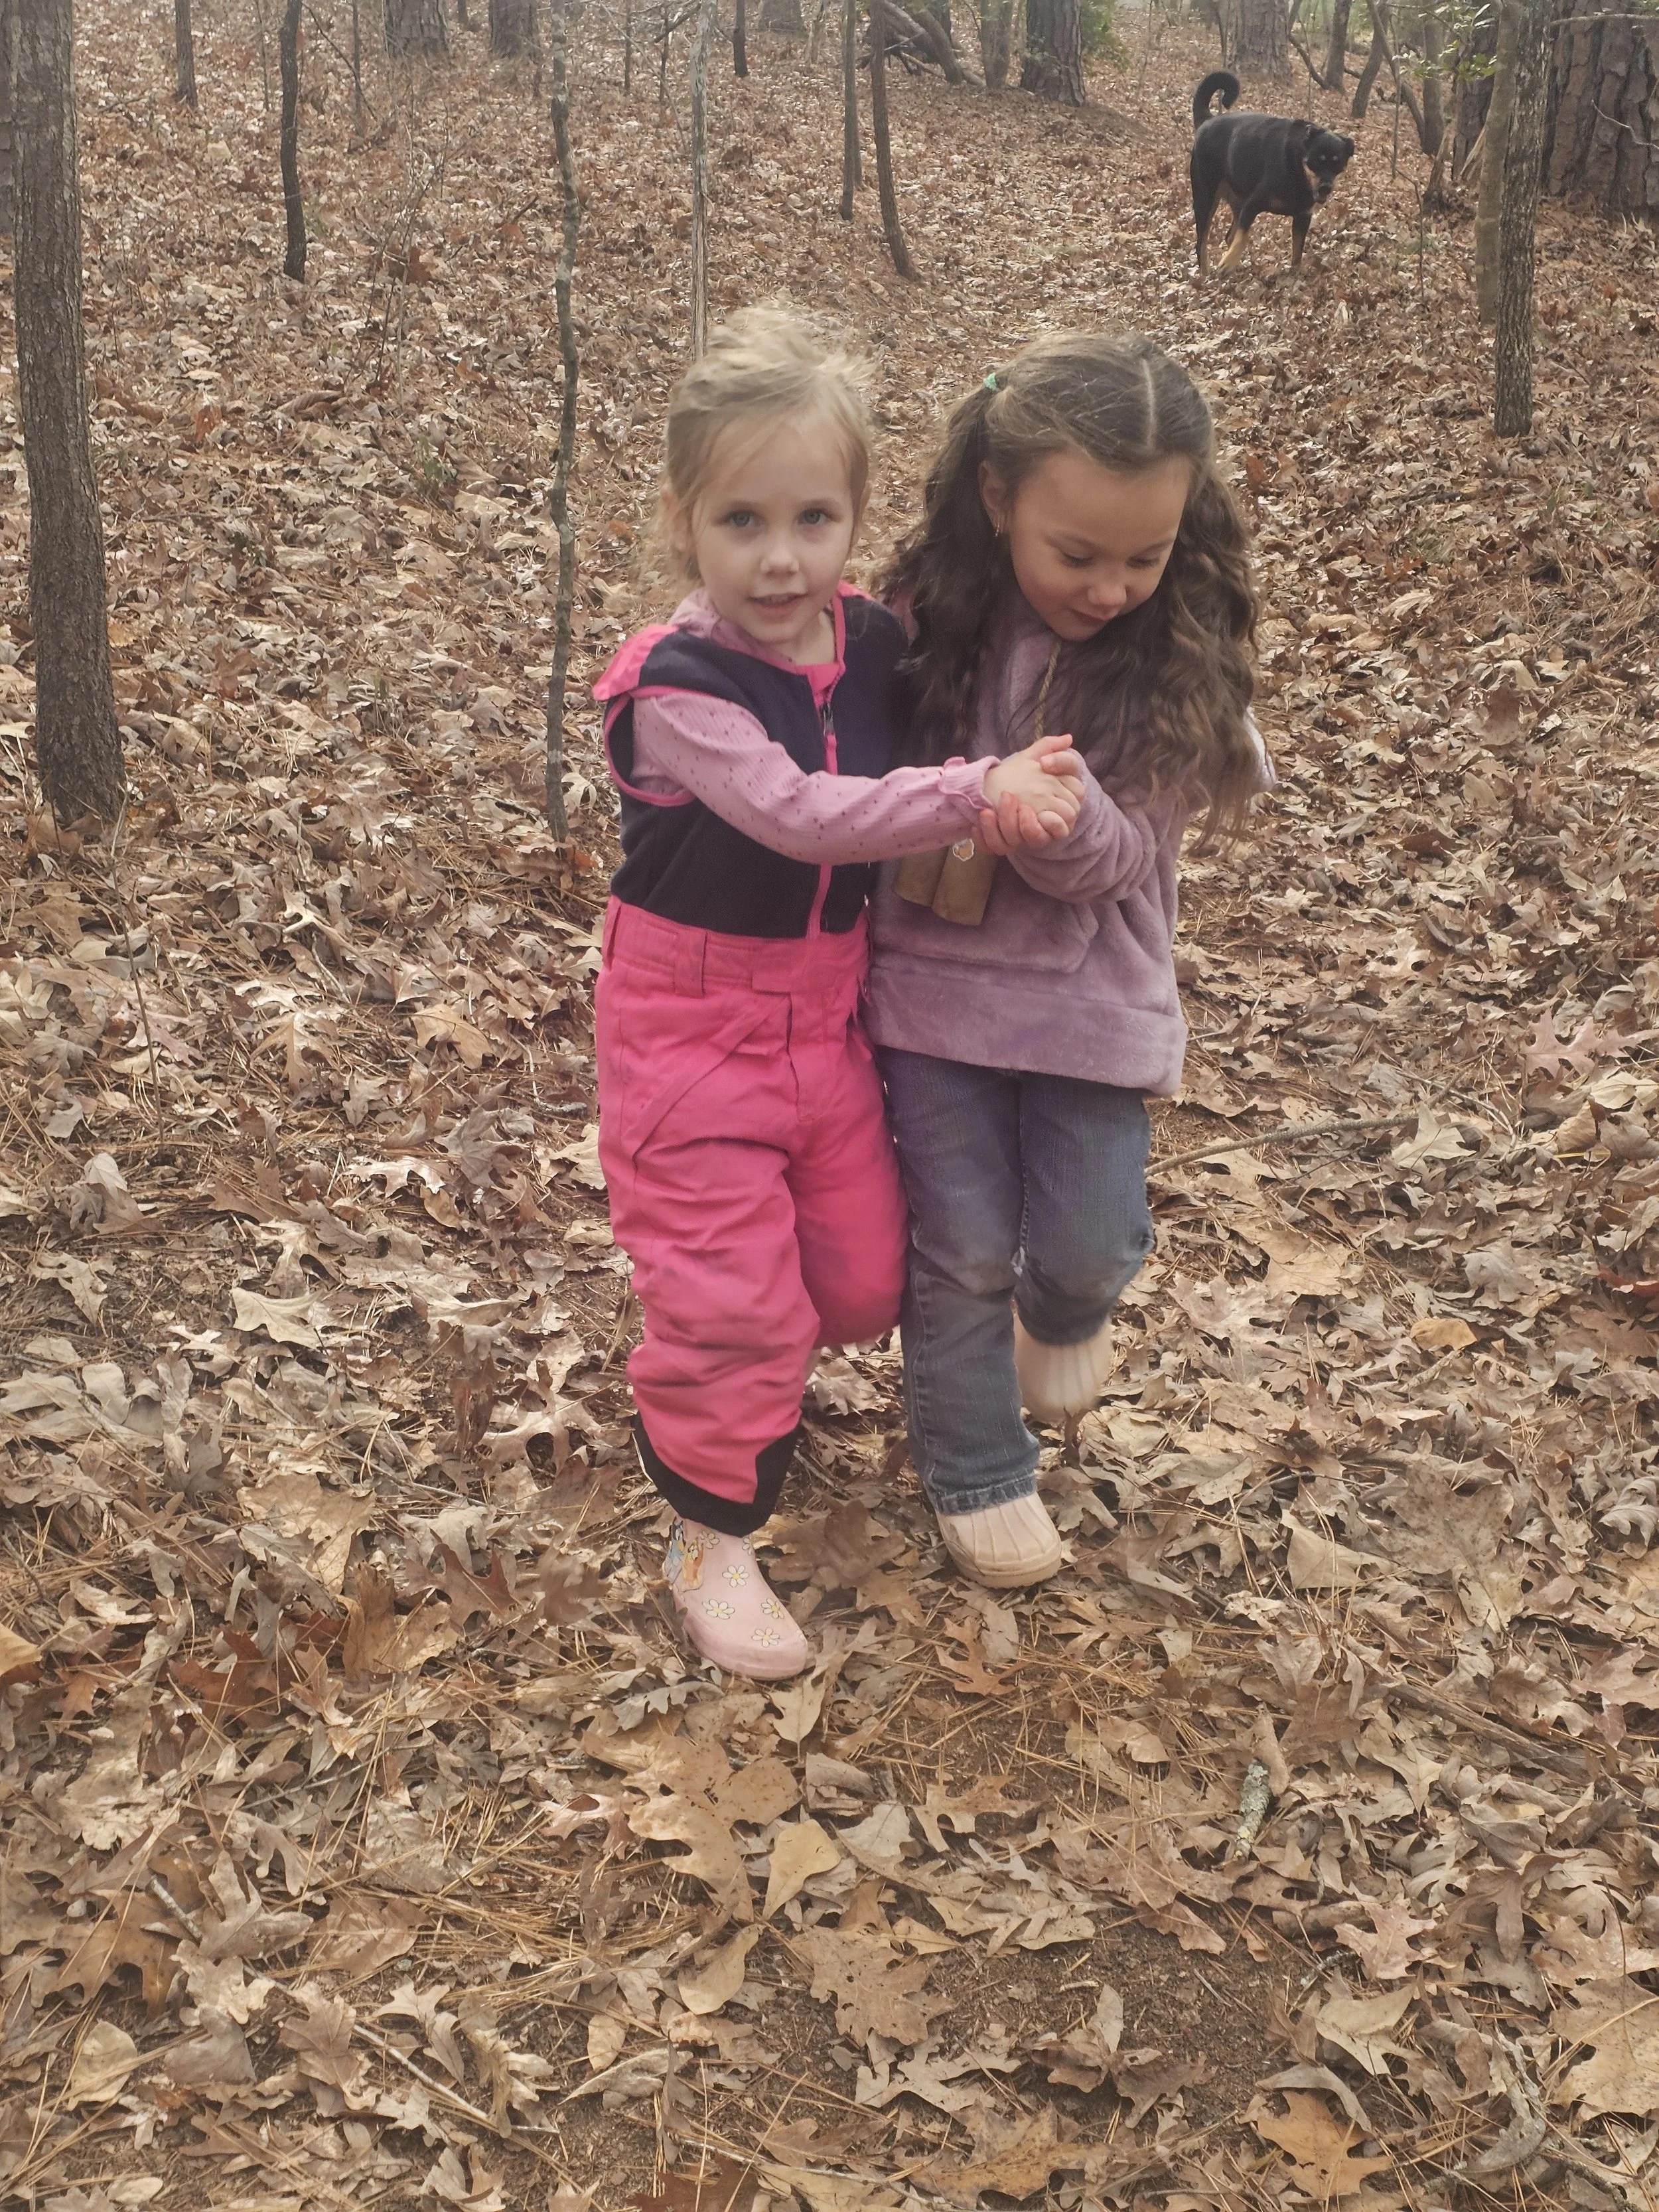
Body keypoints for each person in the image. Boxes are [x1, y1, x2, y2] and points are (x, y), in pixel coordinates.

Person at [591, 309, 1084, 1679]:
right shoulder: (674, 691)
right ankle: (709, 1525)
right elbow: (801, 814)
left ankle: (735, 1369)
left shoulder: (866, 640)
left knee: (860, 1285)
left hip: (828, 1022)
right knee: (738, 1305)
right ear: (684, 518)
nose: (779, 556)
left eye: (813, 517)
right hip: (687, 1034)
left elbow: (999, 632)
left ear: (854, 518)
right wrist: (973, 796)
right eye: (740, 519)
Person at [867, 332, 1265, 1590]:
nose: (1111, 587)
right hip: (933, 997)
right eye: (1078, 554)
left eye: (1145, 556)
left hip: (1091, 1008)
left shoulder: (1172, 655)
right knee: (963, 1246)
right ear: (999, 499)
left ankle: (1064, 1319)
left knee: (1090, 1242)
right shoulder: (923, 622)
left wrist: (1056, 813)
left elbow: (1119, 859)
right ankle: (978, 1468)